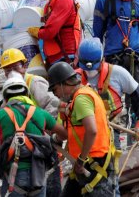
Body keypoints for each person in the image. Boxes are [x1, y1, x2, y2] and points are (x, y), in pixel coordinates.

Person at [0, 76, 67, 197]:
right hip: (39, 175)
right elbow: (64, 134)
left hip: (13, 177)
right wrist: (53, 139)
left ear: (5, 97)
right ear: (27, 94)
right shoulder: (41, 113)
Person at [47, 62, 119, 196]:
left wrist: (81, 159)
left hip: (93, 162)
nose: (55, 94)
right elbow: (75, 131)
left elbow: (92, 130)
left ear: (64, 84)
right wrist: (55, 138)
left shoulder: (81, 99)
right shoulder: (84, 93)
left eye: (55, 89)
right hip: (87, 162)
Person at [76, 38, 139, 146]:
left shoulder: (117, 73)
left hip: (110, 127)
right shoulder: (75, 79)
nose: (90, 72)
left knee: (113, 159)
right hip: (85, 129)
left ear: (102, 59)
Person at [26, 0, 82, 66]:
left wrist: (36, 31)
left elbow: (49, 32)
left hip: (66, 57)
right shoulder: (49, 5)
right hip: (55, 57)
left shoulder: (63, 0)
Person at [0, 48, 60, 115]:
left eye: (16, 68)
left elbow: (52, 105)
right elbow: (4, 110)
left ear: (24, 66)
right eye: (8, 70)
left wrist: (46, 122)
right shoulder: (8, 87)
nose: (12, 72)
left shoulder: (35, 82)